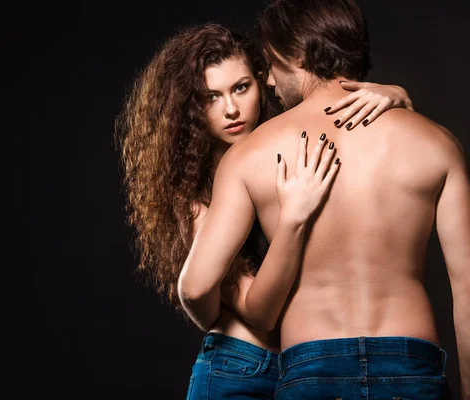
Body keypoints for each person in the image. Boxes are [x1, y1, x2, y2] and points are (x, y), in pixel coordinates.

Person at [178, 1, 469, 399]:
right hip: (412, 366)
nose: (270, 83)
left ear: (293, 55)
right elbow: (467, 289)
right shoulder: (438, 144)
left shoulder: (248, 156)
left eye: (270, 65)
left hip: (311, 369)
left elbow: (195, 288)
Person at [116, 22, 414, 399]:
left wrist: (396, 97)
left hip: (308, 367)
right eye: (211, 97)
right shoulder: (195, 198)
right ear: (190, 109)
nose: (231, 109)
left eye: (241, 88)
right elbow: (261, 312)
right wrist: (292, 218)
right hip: (242, 368)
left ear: (265, 82)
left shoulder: (287, 145)